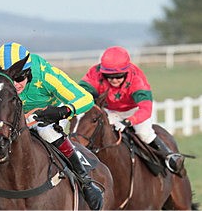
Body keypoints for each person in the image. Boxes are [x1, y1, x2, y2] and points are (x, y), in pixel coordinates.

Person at [0, 42, 103, 211]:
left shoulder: (45, 74)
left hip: (49, 114)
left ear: (29, 72)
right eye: (11, 79)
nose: (16, 84)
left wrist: (63, 111)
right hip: (13, 120)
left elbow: (85, 98)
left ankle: (85, 182)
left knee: (47, 132)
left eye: (20, 78)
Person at [78, 46, 185, 176]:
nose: (114, 80)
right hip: (109, 111)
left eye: (118, 76)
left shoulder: (137, 80)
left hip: (134, 111)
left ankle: (169, 157)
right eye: (109, 76)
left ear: (126, 72)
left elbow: (146, 109)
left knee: (144, 133)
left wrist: (129, 121)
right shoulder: (95, 72)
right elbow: (81, 90)